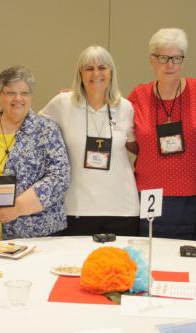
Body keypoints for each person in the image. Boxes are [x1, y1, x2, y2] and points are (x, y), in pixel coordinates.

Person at [128, 28, 196, 241]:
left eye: (176, 58)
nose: (170, 65)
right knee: (151, 254)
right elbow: (121, 132)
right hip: (149, 193)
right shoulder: (138, 95)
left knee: (189, 260)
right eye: (163, 58)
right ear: (152, 61)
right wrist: (79, 98)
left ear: (183, 61)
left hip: (193, 194)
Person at [39, 46, 139, 235]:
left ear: (111, 73)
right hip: (77, 208)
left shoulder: (125, 107)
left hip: (122, 208)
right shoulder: (63, 103)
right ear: (80, 74)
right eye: (89, 68)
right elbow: (31, 126)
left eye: (102, 67)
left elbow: (136, 145)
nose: (96, 74)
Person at [0, 66, 70, 239]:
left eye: (24, 93)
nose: (18, 98)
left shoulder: (47, 130)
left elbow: (59, 178)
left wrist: (18, 207)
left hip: (37, 236)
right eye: (10, 93)